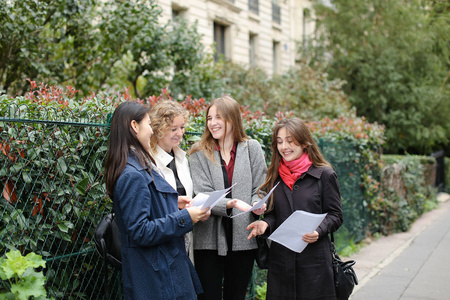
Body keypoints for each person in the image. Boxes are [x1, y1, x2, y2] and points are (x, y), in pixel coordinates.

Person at [104, 101, 210, 300]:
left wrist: (171, 203)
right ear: (135, 127)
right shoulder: (132, 174)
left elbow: (146, 206)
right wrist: (185, 217)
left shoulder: (137, 164)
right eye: (147, 125)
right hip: (157, 276)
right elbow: (140, 231)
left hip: (163, 270)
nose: (151, 131)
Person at [247, 117, 344, 300]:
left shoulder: (324, 175)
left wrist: (318, 230)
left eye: (290, 141)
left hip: (314, 263)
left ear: (304, 143)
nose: (284, 147)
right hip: (281, 263)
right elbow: (274, 214)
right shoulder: (275, 176)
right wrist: (265, 224)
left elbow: (336, 215)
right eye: (280, 142)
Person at [189, 95, 267, 300]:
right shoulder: (198, 152)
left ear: (232, 119)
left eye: (218, 117)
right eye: (209, 118)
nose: (212, 123)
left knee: (237, 295)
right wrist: (231, 203)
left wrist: (256, 204)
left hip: (244, 238)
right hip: (208, 240)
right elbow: (201, 193)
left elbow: (260, 187)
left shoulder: (252, 148)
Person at [149, 100, 194, 258]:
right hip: (163, 240)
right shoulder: (150, 161)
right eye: (173, 128)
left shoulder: (182, 158)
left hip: (186, 238)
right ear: (158, 128)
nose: (180, 133)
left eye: (182, 127)